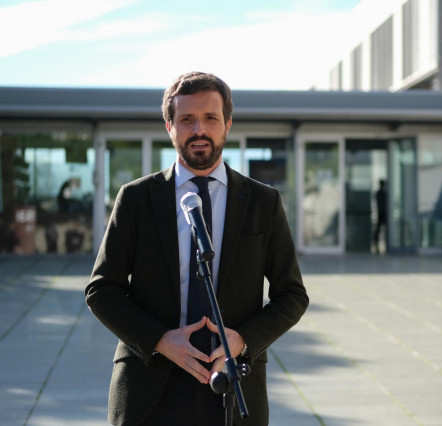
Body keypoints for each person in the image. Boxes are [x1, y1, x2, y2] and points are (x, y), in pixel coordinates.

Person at [85, 71, 309, 426]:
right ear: (169, 126)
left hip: (234, 385)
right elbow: (101, 289)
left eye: (210, 118)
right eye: (186, 119)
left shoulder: (262, 202)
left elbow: (293, 295)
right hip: (151, 387)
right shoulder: (137, 199)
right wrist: (159, 340)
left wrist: (243, 340)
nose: (199, 130)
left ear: (228, 124)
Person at [373, 179, 387, 254]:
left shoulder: (382, 193)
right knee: (378, 231)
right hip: (382, 213)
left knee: (380, 231)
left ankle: (379, 246)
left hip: (382, 213)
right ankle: (377, 246)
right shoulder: (381, 193)